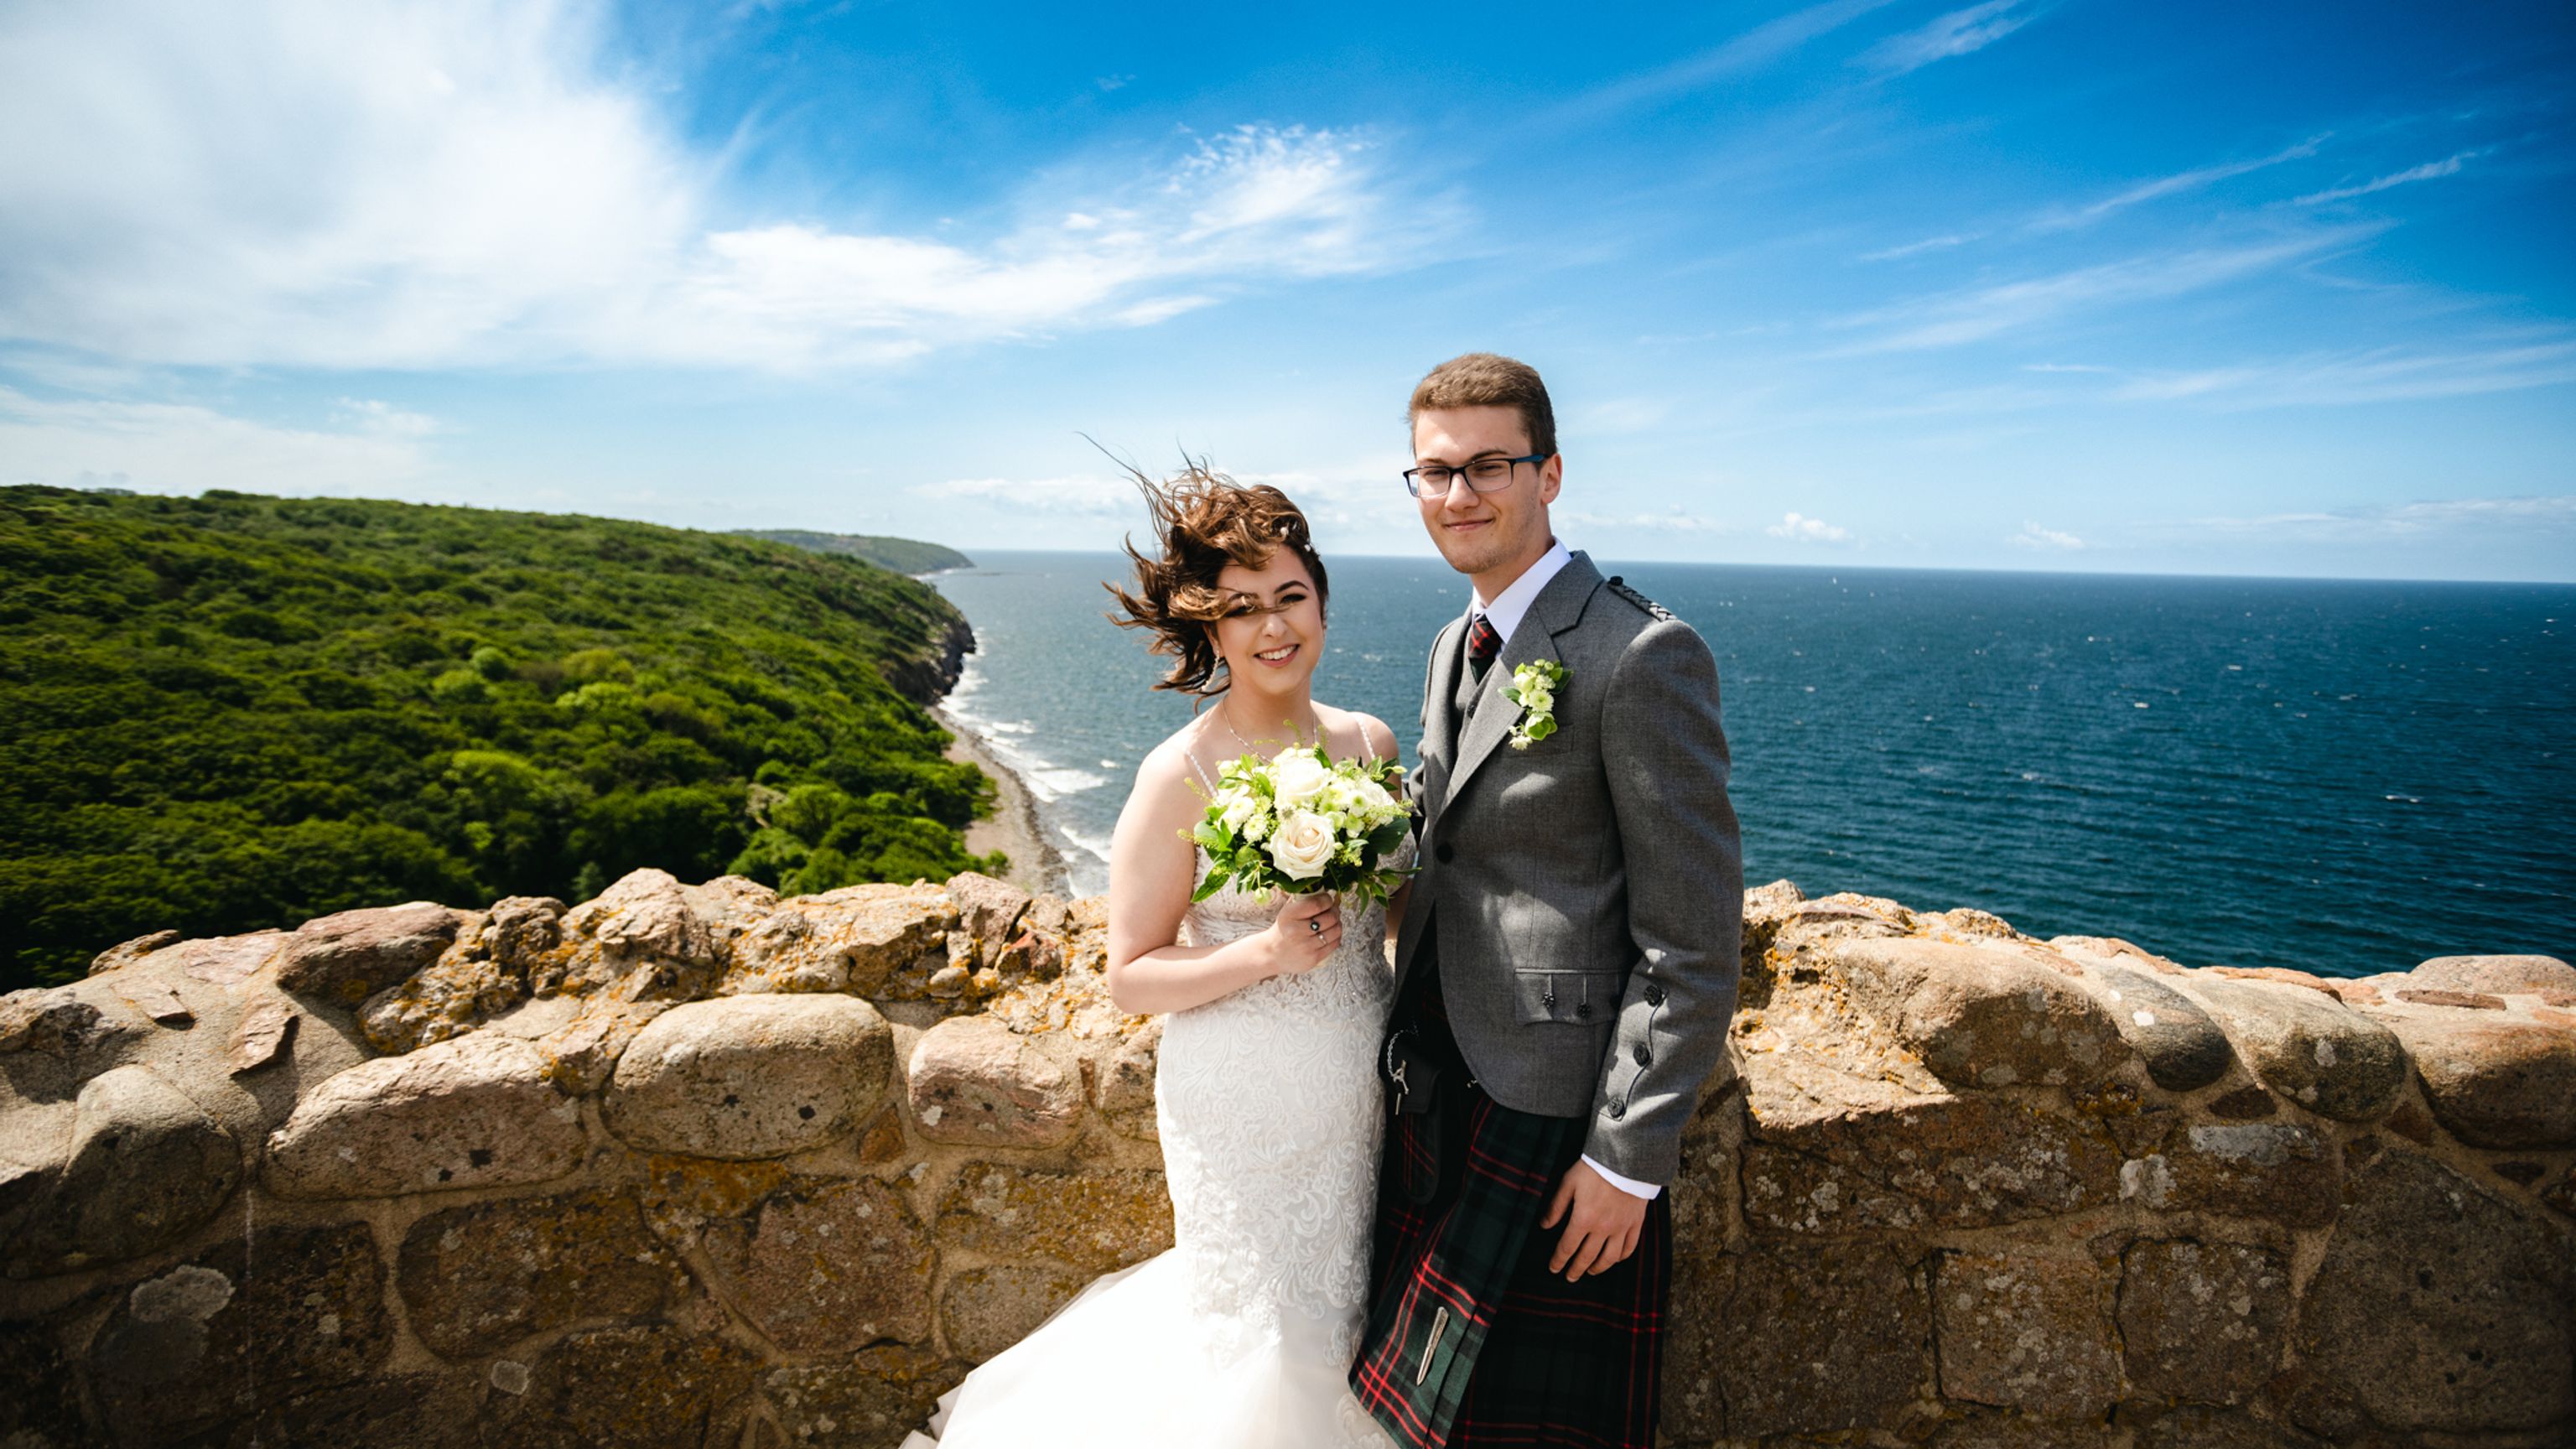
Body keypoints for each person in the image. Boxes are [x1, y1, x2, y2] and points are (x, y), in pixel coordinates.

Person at [904, 467, 1407, 1449]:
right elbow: (1130, 974)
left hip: (1362, 1095)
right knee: (1267, 1340)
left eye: (1292, 598)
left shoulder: (1368, 744)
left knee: (1346, 1326)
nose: (1274, 628)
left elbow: (1398, 919)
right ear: (1211, 632)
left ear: (1323, 605)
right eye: (1243, 609)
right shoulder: (1181, 774)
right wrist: (1265, 952)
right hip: (1243, 1102)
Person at [1349, 353, 1742, 1448]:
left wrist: (1628, 1158)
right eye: (1435, 472)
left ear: (1549, 473)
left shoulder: (1641, 652)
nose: (1459, 495)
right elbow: (1454, 832)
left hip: (1553, 1108)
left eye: (1490, 466)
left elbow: (1695, 943)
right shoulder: (1453, 642)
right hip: (1433, 1079)